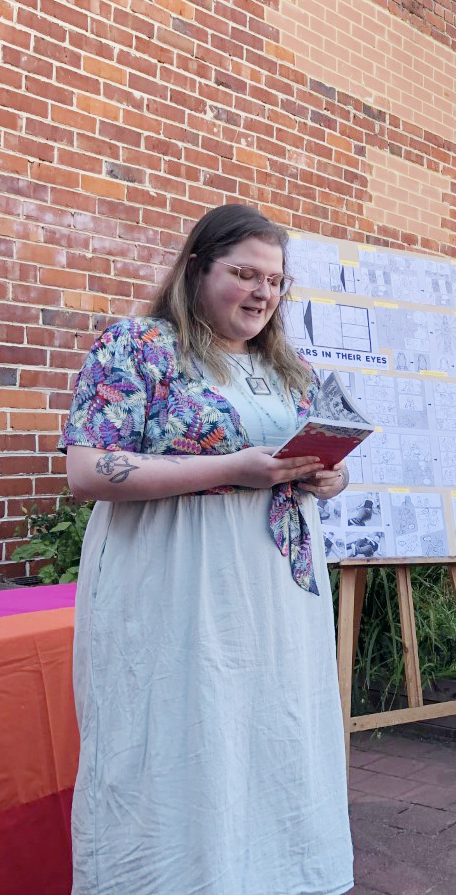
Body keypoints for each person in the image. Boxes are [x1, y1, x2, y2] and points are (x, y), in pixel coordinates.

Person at [61, 205, 354, 894]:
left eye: (275, 280)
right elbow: (86, 470)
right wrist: (231, 469)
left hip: (276, 601)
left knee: (267, 738)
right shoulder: (138, 346)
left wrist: (331, 475)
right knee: (179, 741)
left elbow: (317, 466)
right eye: (244, 273)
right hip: (174, 592)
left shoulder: (288, 368)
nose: (262, 292)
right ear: (196, 267)